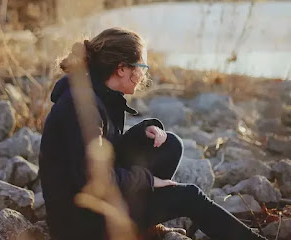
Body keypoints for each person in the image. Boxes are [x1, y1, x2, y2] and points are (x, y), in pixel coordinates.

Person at [39, 27, 267, 240]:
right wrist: (149, 180)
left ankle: (143, 225)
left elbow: (104, 148)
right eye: (142, 68)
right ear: (122, 69)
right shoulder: (81, 106)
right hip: (79, 224)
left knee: (169, 146)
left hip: (96, 205)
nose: (144, 76)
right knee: (189, 196)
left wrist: (141, 132)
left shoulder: (101, 94)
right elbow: (93, 179)